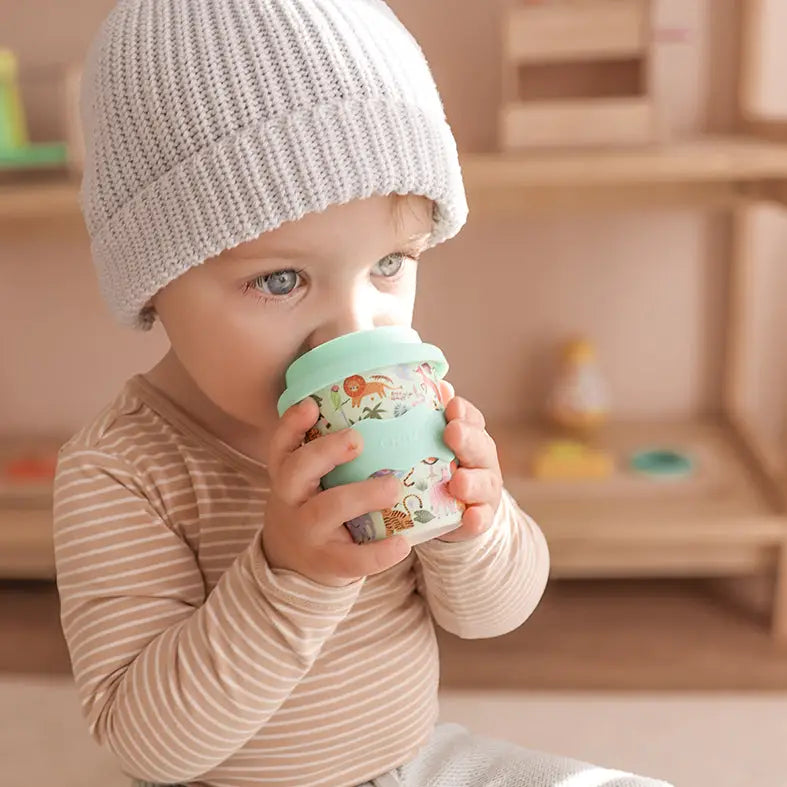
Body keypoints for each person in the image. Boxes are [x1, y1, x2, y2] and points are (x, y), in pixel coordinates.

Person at [53, 1, 672, 785]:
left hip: (408, 761)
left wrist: (473, 525)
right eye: (281, 280)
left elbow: (489, 615)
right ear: (154, 282)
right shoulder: (121, 473)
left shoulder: (402, 412)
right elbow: (148, 745)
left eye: (388, 264)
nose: (351, 329)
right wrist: (291, 574)